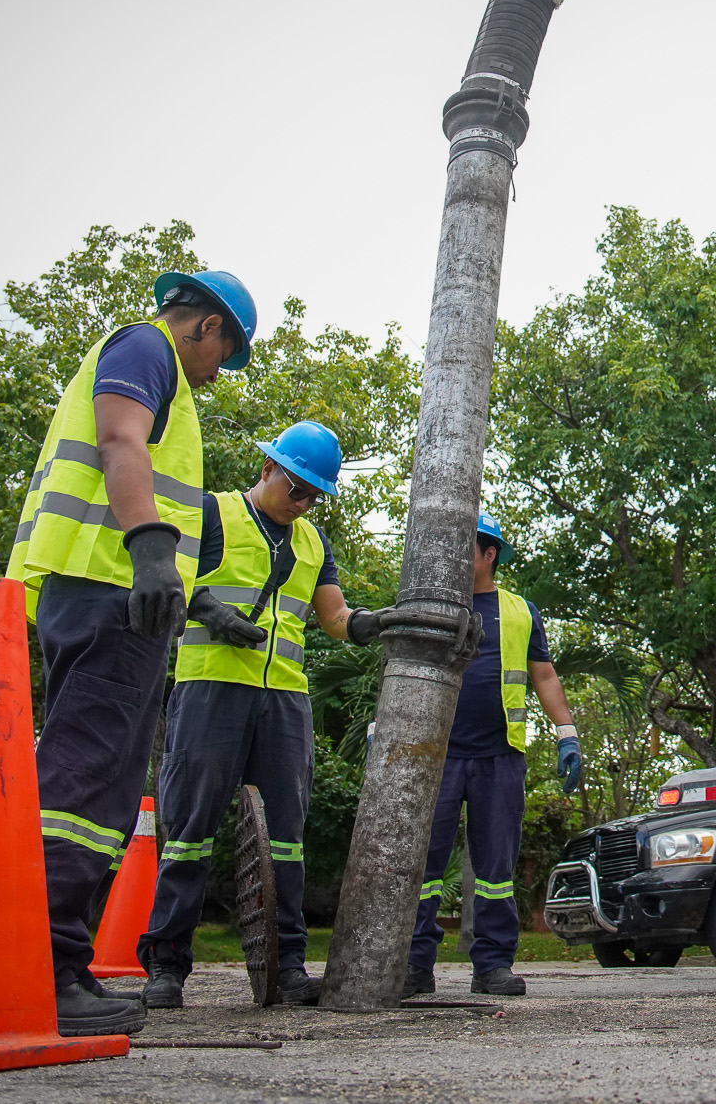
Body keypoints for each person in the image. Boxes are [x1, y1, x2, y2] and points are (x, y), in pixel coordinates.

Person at [6, 269, 258, 1037]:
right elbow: (121, 440)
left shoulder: (151, 361)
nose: (218, 373)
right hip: (109, 589)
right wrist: (150, 553)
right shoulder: (147, 349)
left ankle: (56, 963)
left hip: (118, 596)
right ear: (205, 326)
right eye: (226, 355)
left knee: (99, 776)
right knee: (86, 779)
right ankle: (44, 968)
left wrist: (194, 595)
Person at [137, 421, 383, 1009]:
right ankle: (166, 967)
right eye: (295, 488)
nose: (301, 503)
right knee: (189, 830)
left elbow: (335, 617)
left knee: (286, 838)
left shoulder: (312, 544)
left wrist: (376, 623)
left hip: (284, 700)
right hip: (210, 689)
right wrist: (214, 614)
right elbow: (174, 580)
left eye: (312, 496)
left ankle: (289, 966)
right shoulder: (211, 513)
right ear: (268, 467)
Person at [404, 515, 581, 997]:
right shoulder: (431, 604)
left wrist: (567, 733)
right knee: (424, 867)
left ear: (490, 555)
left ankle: (493, 965)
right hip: (433, 755)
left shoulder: (520, 611)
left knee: (496, 871)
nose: (455, 559)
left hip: (499, 758)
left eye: (467, 549)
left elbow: (543, 675)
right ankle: (415, 965)